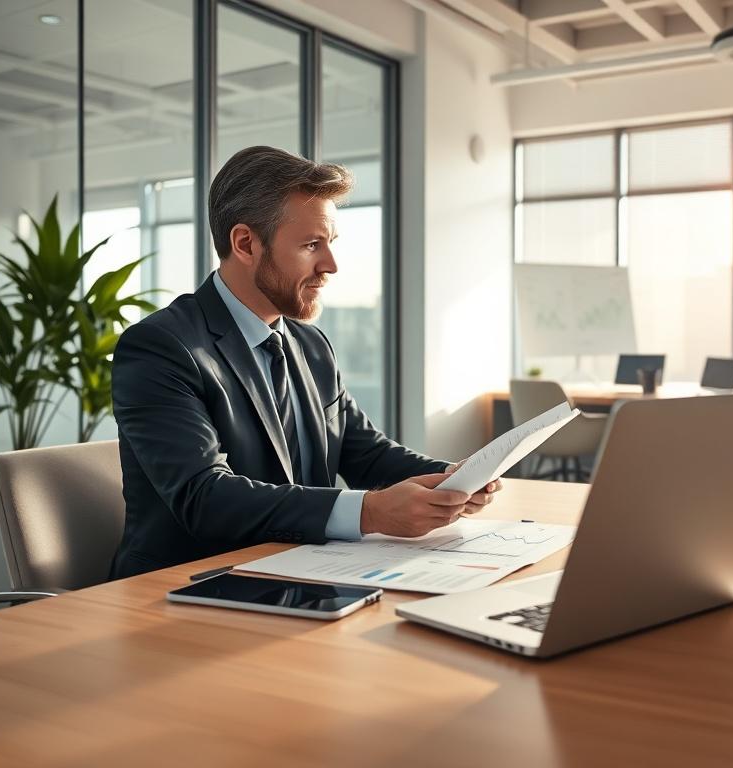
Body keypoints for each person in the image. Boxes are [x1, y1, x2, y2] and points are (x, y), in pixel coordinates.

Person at [109, 146, 500, 579]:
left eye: (329, 243)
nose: (330, 265)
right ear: (245, 243)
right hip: (188, 590)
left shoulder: (311, 346)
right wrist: (368, 513)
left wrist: (452, 480)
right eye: (312, 245)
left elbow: (366, 454)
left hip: (300, 575)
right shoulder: (161, 347)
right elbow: (205, 497)